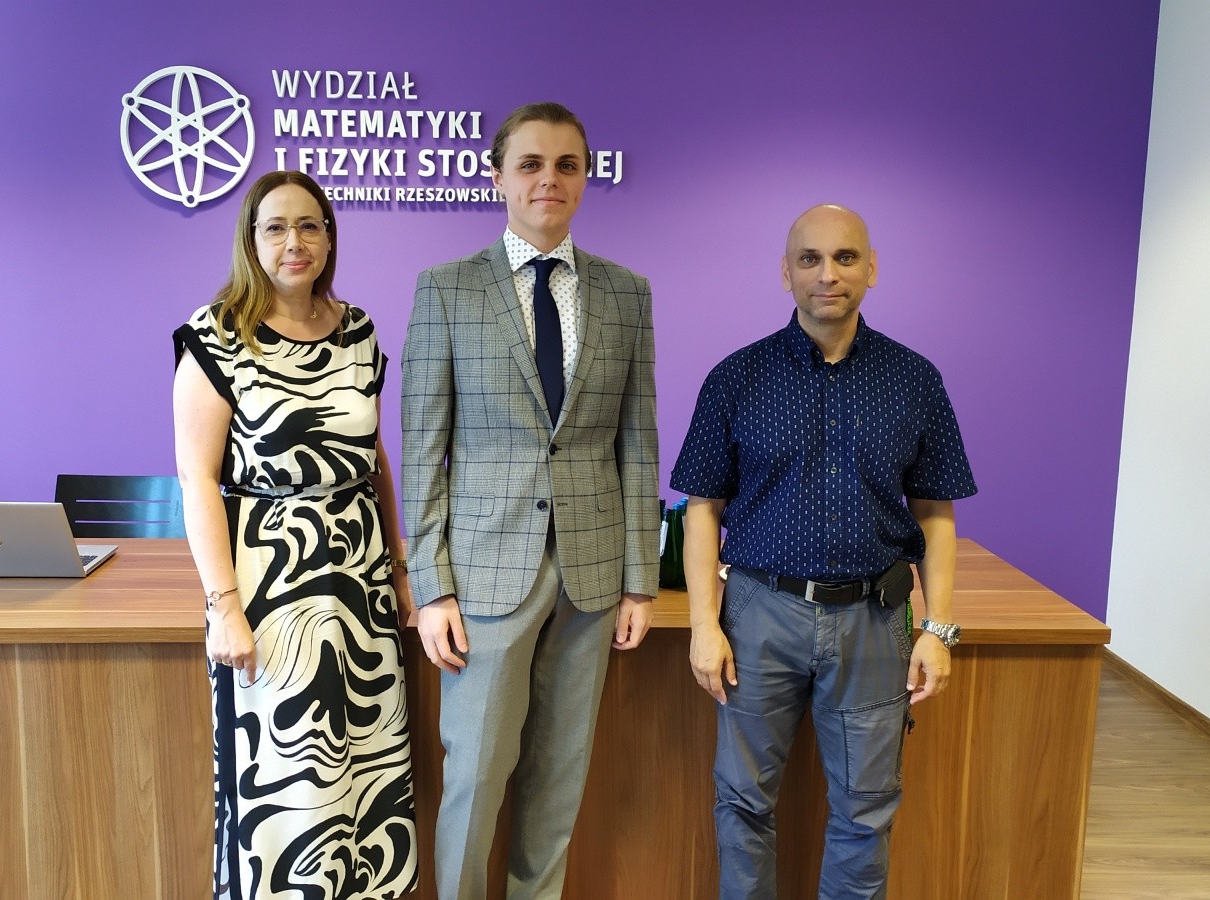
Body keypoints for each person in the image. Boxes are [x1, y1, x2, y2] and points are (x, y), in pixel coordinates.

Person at [671, 204, 977, 900]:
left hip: (874, 619)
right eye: (809, 258)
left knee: (867, 810)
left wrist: (939, 629)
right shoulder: (736, 377)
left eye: (845, 257)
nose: (827, 274)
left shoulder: (914, 379)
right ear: (786, 272)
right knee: (742, 802)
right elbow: (702, 509)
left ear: (872, 269)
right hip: (758, 615)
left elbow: (935, 511)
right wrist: (703, 624)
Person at [400, 101, 659, 900]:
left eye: (566, 165)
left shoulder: (626, 293)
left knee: (559, 776)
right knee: (476, 773)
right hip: (483, 574)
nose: (550, 179)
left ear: (585, 177)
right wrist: (430, 586)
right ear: (498, 177)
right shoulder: (446, 289)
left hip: (591, 573)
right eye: (531, 164)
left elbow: (638, 441)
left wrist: (639, 579)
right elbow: (422, 450)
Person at [172, 170, 418, 900]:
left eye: (309, 225)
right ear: (250, 240)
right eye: (275, 227)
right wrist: (223, 606)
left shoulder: (358, 330)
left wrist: (400, 568)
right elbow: (197, 480)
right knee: (290, 775)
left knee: (368, 769)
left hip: (361, 582)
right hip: (270, 581)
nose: (294, 242)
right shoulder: (215, 336)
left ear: (330, 237)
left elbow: (373, 459)